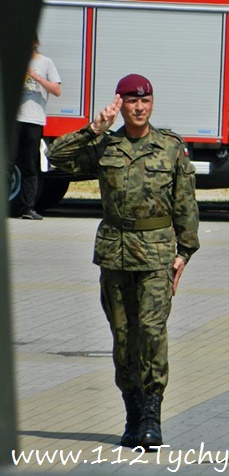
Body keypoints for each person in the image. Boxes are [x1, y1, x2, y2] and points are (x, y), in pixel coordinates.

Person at [46, 74, 200, 450]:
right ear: (121, 104)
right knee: (123, 336)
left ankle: (151, 417)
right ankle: (132, 414)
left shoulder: (170, 147)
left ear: (152, 103)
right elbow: (55, 157)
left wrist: (184, 253)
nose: (139, 107)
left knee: (151, 332)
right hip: (115, 254)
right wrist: (94, 128)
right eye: (131, 101)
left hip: (157, 255)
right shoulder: (106, 146)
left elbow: (185, 203)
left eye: (145, 101)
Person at [9, 34, 61, 220]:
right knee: (7, 164)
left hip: (34, 120)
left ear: (36, 43)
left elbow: (57, 90)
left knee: (29, 165)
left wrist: (36, 76)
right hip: (14, 120)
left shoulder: (45, 62)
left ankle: (27, 208)